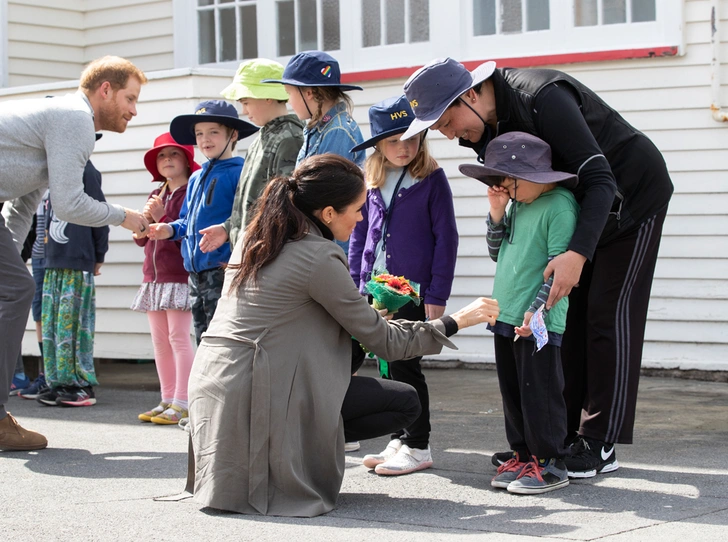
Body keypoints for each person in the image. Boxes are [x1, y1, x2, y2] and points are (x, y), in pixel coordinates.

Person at [401, 57, 673, 477]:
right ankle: (556, 437)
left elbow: (601, 180)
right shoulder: (481, 128)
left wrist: (577, 254)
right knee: (568, 317)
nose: (451, 136)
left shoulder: (543, 98)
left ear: (469, 94)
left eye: (447, 122)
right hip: (574, 212)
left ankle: (600, 443)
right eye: (439, 131)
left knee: (605, 315)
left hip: (632, 198)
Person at [186, 154, 500, 517]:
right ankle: (296, 456)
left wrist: (369, 315)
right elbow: (386, 342)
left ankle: (292, 449)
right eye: (357, 209)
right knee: (405, 403)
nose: (362, 218)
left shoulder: (256, 239)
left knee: (348, 375)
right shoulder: (318, 256)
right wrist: (455, 321)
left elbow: (292, 316)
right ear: (329, 213)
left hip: (214, 389)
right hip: (260, 391)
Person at [0, 55, 148, 451]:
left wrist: (12, 260)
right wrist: (125, 217)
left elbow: (21, 207)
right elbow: (68, 204)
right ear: (105, 90)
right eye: (130, 99)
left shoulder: (59, 119)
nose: (134, 111)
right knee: (16, 292)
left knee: (10, 288)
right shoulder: (75, 118)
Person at [460, 132, 579, 494]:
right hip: (505, 314)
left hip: (536, 318)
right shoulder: (518, 203)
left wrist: (536, 313)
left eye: (506, 181)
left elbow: (558, 269)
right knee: (513, 391)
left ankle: (551, 462)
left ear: (530, 175)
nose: (502, 188)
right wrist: (497, 213)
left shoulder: (560, 205)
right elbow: (499, 252)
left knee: (539, 392)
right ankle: (523, 454)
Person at [348, 95, 458, 476]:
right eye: (393, 141)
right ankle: (400, 434)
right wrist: (354, 285)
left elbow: (446, 239)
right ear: (378, 145)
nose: (403, 147)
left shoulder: (432, 180)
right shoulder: (371, 181)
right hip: (375, 288)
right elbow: (358, 235)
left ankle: (419, 442)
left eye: (411, 138)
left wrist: (437, 295)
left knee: (407, 366)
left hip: (412, 291)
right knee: (385, 364)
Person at [147, 100, 258, 345]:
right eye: (199, 134)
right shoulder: (196, 177)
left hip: (223, 270)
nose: (205, 139)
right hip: (194, 273)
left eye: (213, 132)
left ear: (234, 134)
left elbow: (250, 216)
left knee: (225, 339)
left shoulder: (241, 172)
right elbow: (187, 221)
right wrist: (169, 229)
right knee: (203, 339)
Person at [263, 50, 365, 256]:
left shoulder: (338, 131)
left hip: (328, 247)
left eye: (290, 93)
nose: (289, 102)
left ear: (309, 92)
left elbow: (326, 199)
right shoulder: (316, 129)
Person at [199, 58, 304, 253]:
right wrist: (228, 228)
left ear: (267, 96)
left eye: (246, 102)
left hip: (269, 254)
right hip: (249, 250)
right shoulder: (260, 139)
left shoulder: (291, 138)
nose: (244, 111)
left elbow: (285, 206)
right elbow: (251, 201)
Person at [132, 133, 200, 425]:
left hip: (179, 275)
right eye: (161, 155)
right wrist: (142, 225)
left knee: (178, 338)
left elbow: (186, 235)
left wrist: (163, 219)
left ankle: (183, 401)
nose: (167, 160)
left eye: (174, 154)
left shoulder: (190, 192)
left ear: (186, 160)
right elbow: (142, 240)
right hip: (154, 278)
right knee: (160, 341)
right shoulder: (155, 194)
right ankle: (167, 398)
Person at [36, 157, 109, 407]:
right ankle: (58, 382)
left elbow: (100, 211)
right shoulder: (50, 171)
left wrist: (99, 254)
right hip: (51, 261)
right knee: (53, 326)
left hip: (78, 259)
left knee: (74, 325)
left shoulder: (86, 170)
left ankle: (80, 385)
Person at [16, 192, 51, 399]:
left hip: (58, 255)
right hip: (37, 256)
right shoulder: (33, 182)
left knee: (51, 317)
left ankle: (50, 375)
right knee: (38, 316)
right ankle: (45, 375)